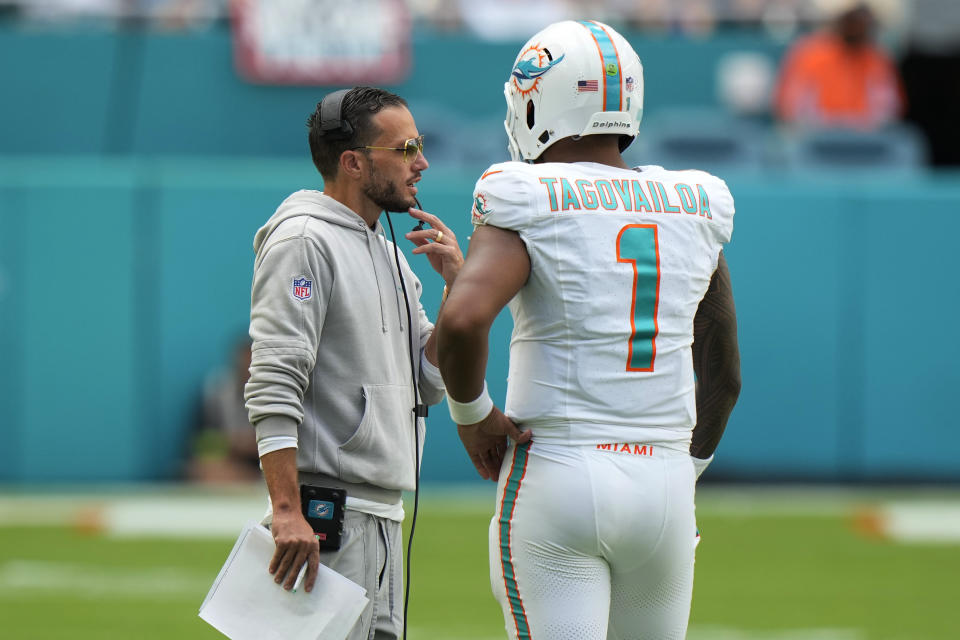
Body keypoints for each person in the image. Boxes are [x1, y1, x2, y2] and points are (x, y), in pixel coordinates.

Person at [436, 20, 741, 639]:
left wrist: (474, 418)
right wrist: (685, 471)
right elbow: (724, 375)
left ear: (536, 100)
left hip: (560, 470)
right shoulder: (693, 202)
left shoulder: (525, 192)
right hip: (663, 480)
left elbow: (464, 320)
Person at [243, 86, 463, 639]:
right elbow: (274, 379)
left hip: (385, 516)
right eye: (407, 147)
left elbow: (430, 383)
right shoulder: (302, 241)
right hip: (326, 518)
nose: (423, 162)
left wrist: (457, 291)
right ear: (352, 162)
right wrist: (287, 510)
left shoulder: (391, 251)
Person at [773, 2, 905, 129]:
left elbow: (888, 111)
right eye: (853, 19)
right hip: (817, 142)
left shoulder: (878, 59)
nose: (858, 26)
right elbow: (791, 110)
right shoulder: (809, 54)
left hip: (866, 143)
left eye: (863, 20)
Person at [187, 337, 260, 483]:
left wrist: (252, 445)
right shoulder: (216, 391)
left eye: (253, 366)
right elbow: (202, 441)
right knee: (200, 470)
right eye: (243, 365)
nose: (247, 370)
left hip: (265, 463)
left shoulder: (278, 393)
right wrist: (232, 444)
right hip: (228, 462)